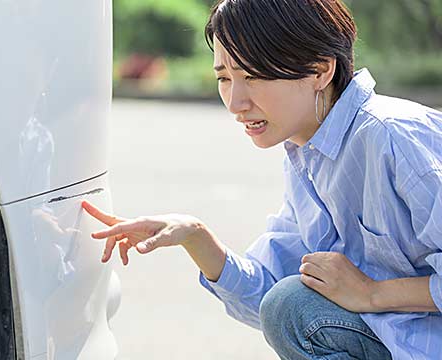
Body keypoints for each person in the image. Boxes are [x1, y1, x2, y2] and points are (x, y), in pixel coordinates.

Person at [82, 0, 442, 358]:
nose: (235, 102)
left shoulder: (394, 137)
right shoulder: (308, 154)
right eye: (224, 78)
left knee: (293, 306)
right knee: (290, 306)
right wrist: (194, 235)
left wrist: (373, 294)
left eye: (254, 75)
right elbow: (269, 298)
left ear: (320, 71)